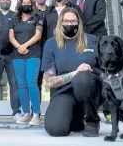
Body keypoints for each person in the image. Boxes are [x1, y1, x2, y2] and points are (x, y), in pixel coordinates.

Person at [42, 7, 102, 137]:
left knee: (83, 79)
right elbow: (49, 82)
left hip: (90, 88)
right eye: (66, 21)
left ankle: (92, 120)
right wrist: (76, 72)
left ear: (79, 23)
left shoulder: (93, 41)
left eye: (73, 21)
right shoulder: (51, 44)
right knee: (55, 129)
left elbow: (106, 69)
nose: (70, 24)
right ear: (60, 22)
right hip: (65, 92)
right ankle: (76, 119)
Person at [9, 0, 44, 126]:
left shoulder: (38, 17)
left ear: (32, 4)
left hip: (33, 54)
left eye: (28, 3)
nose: (26, 4)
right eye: (24, 3)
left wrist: (25, 46)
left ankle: (36, 113)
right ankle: (26, 113)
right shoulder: (14, 19)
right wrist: (19, 47)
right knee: (21, 85)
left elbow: (38, 35)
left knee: (31, 82)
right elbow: (11, 36)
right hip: (17, 55)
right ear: (20, 4)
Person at [0, 0, 21, 121]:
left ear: (11, 2)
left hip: (12, 55)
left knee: (14, 84)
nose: (5, 1)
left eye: (7, 0)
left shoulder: (15, 16)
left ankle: (16, 112)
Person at [34, 0, 48, 101]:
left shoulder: (51, 11)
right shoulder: (31, 13)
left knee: (51, 78)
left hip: (49, 48)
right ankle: (35, 110)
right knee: (36, 79)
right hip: (35, 49)